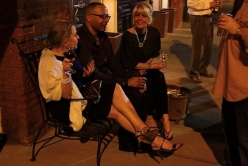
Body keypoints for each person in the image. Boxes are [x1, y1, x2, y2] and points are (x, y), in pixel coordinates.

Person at [38, 19, 183, 158]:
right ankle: (146, 132)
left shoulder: (67, 55)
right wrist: (65, 73)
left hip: (83, 95)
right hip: (69, 106)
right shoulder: (52, 64)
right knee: (115, 90)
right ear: (65, 42)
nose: (78, 37)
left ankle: (148, 136)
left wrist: (83, 73)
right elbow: (65, 96)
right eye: (75, 35)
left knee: (117, 110)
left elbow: (76, 79)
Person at [76, 2, 159, 152]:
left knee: (148, 82)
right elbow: (94, 75)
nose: (107, 20)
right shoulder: (81, 40)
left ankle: (142, 132)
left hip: (107, 80)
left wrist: (134, 76)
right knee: (133, 92)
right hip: (93, 88)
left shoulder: (103, 37)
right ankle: (128, 142)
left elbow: (114, 65)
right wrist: (127, 82)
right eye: (103, 17)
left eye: (107, 16)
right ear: (89, 18)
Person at [116, 2, 174, 144]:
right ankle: (148, 116)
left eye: (143, 16)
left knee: (159, 77)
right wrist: (150, 67)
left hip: (144, 67)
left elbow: (152, 54)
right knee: (149, 80)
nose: (140, 19)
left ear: (149, 18)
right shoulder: (128, 36)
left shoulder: (153, 33)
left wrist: (147, 67)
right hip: (129, 71)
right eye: (137, 16)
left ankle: (165, 118)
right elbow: (130, 63)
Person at [212, 1, 248, 165]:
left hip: (244, 84)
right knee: (230, 129)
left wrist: (238, 30)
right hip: (231, 79)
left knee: (243, 137)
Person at [187, 0, 222, 83]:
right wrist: (209, 4)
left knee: (208, 46)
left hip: (208, 17)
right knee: (198, 46)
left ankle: (202, 68)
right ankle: (194, 72)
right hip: (198, 18)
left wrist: (218, 4)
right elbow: (191, 3)